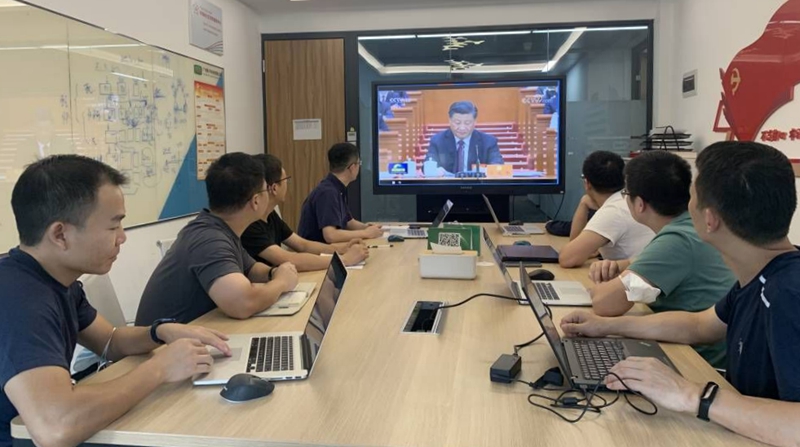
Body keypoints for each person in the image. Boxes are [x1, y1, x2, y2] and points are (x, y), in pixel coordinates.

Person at [561, 142, 800, 446]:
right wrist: (604, 326)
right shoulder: (761, 274)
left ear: (710, 220)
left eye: (693, 195)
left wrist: (690, 394)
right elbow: (698, 325)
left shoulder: (788, 294)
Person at [0, 155, 231, 447]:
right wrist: (160, 368)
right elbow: (56, 427)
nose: (122, 238)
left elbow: (109, 340)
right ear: (60, 234)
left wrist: (160, 332)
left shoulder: (58, 281)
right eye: (113, 227)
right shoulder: (17, 298)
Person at [587, 150, 735, 367]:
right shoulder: (692, 226)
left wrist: (602, 287)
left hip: (698, 362)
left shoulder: (677, 240)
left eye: (626, 193)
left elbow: (605, 304)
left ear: (639, 204)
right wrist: (625, 266)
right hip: (696, 345)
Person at [135, 153, 299, 325]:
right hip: (164, 341)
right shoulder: (208, 239)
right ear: (256, 201)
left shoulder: (221, 228)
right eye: (266, 190)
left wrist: (273, 273)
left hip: (194, 332)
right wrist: (281, 282)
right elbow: (243, 303)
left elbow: (251, 268)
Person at [242, 154, 369, 271]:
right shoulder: (250, 224)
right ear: (274, 188)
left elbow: (303, 245)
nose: (287, 184)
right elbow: (289, 258)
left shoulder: (270, 215)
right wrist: (345, 260)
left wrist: (344, 248)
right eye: (286, 180)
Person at [559, 151, 654, 268]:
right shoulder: (628, 200)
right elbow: (575, 247)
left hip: (638, 277)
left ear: (587, 183)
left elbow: (568, 259)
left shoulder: (613, 210)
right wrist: (584, 203)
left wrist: (583, 204)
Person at [297, 143, 383, 244]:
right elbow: (331, 235)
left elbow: (348, 222)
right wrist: (366, 233)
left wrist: (366, 227)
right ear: (352, 167)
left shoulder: (337, 187)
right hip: (317, 251)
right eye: (359, 163)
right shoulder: (328, 193)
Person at [425, 101, 503, 176]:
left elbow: (498, 165)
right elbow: (428, 164)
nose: (462, 128)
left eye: (467, 123)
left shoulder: (489, 142)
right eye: (457, 123)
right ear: (449, 121)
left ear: (475, 122)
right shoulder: (437, 141)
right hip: (446, 184)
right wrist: (435, 170)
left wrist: (488, 170)